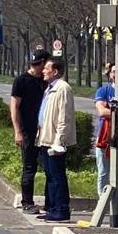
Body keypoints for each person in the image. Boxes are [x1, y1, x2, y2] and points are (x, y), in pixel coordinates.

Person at [9, 49, 48, 215]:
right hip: (28, 131)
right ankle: (27, 202)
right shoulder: (21, 81)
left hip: (46, 131)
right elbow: (14, 106)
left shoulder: (47, 82)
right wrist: (18, 131)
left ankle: (50, 202)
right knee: (29, 167)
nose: (41, 68)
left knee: (49, 167)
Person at [37, 56, 76, 222]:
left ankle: (61, 210)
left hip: (55, 142)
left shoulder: (62, 88)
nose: (43, 71)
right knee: (51, 177)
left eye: (46, 68)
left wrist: (59, 142)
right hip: (46, 139)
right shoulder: (50, 88)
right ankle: (52, 208)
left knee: (57, 177)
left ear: (55, 71)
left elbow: (64, 117)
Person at [93, 63, 116, 196]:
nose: (116, 74)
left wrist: (112, 111)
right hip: (104, 138)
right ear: (109, 75)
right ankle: (102, 202)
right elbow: (102, 111)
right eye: (114, 71)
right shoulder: (103, 91)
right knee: (104, 172)